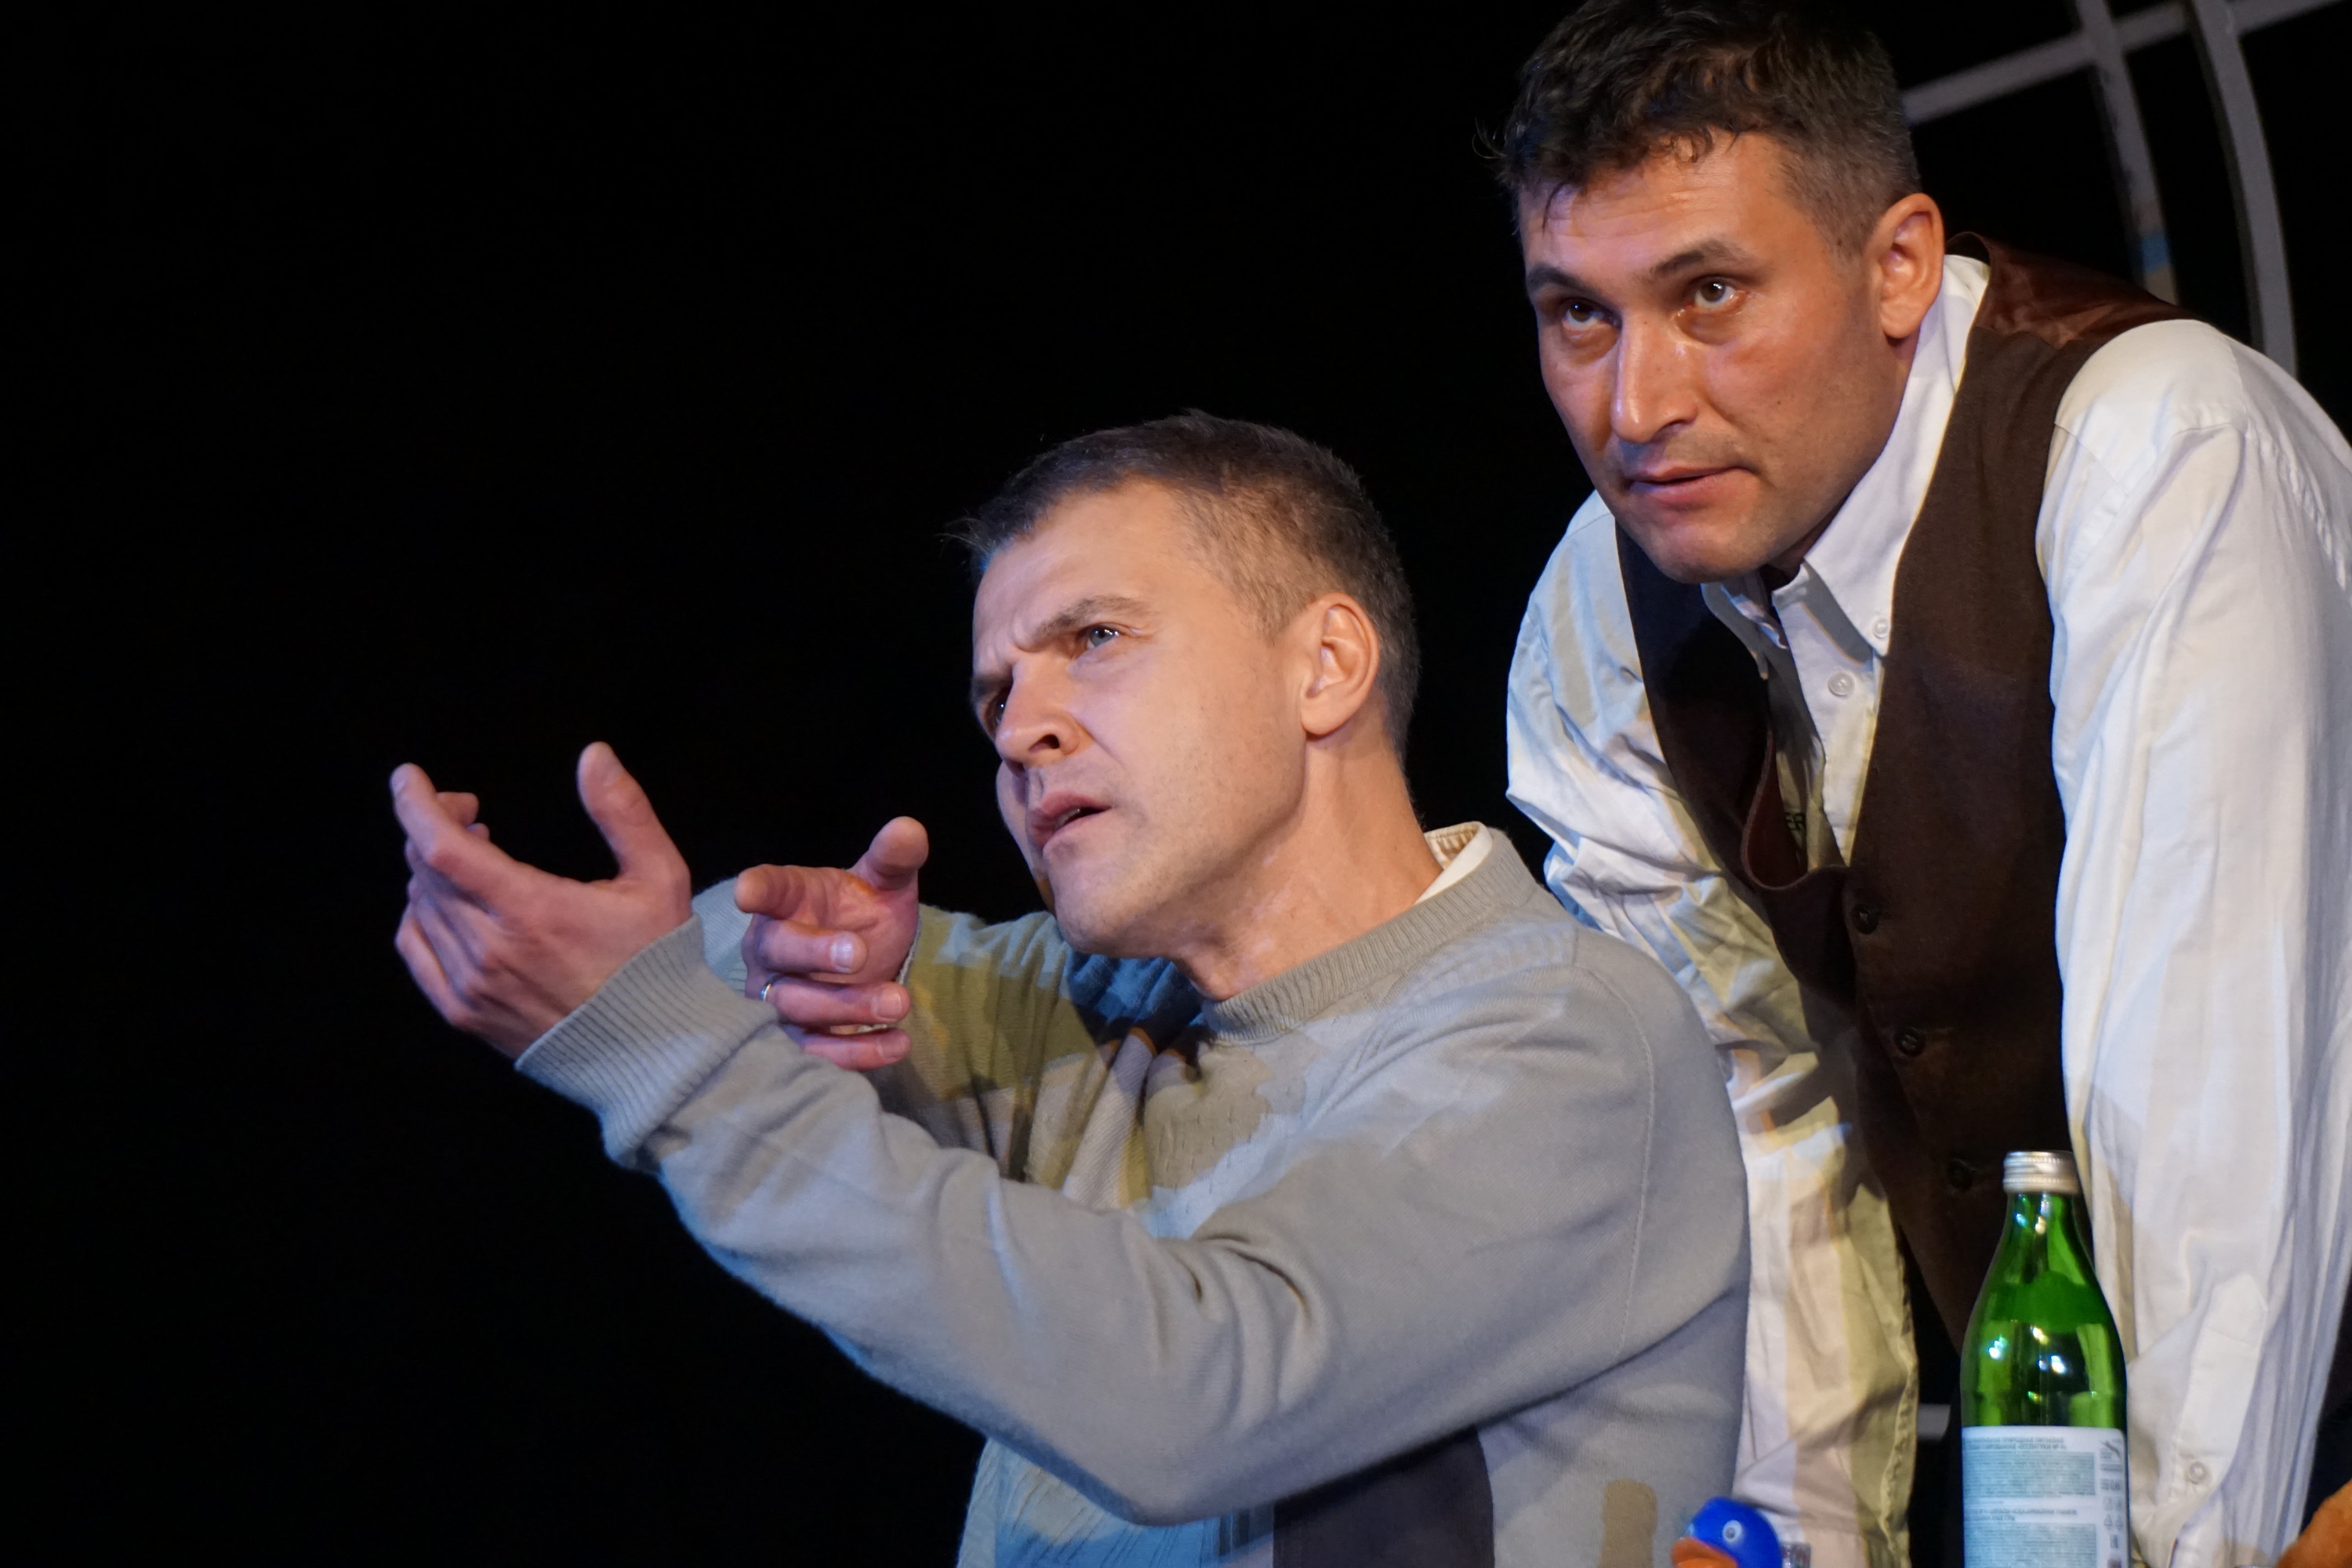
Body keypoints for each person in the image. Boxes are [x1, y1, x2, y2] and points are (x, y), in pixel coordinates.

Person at [751, 6, 2352, 1565]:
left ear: (1899, 265)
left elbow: (2210, 1072)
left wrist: (2194, 1550)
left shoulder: (2150, 449)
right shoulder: (1607, 607)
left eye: (1709, 294)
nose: (1637, 404)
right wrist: (1774, 1543)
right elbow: (1760, 1116)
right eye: (1579, 315)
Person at [392, 415, 1751, 1567]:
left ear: (1325, 666)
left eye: (1094, 637)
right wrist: (768, 973)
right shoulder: (1095, 1005)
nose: (1023, 728)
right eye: (997, 696)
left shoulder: (1567, 1041)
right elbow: (698, 971)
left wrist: (678, 1059)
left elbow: (1198, 1396)